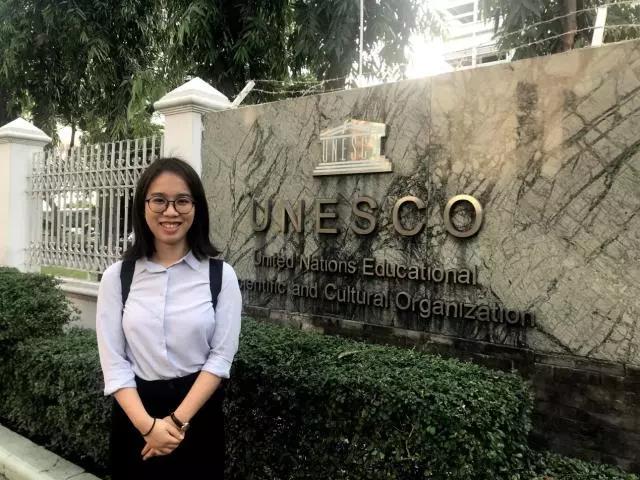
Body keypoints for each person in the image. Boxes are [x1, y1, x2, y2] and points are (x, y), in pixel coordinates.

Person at [95, 157, 242, 479]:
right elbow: (114, 362)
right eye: (159, 200)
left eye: (182, 201)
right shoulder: (117, 277)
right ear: (143, 206)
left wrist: (175, 423)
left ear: (196, 207)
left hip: (197, 417)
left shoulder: (221, 276)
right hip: (135, 418)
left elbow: (220, 358)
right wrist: (148, 427)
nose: (171, 211)